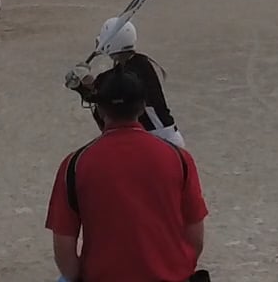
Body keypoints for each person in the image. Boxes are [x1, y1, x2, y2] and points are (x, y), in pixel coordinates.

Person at [47, 64, 209, 282]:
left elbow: (64, 249)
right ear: (142, 107)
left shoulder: (74, 164)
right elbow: (195, 238)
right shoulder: (179, 158)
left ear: (100, 110)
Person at [72, 18, 184, 147]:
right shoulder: (139, 63)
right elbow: (100, 97)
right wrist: (79, 87)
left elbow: (103, 93)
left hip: (161, 140)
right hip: (155, 138)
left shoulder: (132, 72)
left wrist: (85, 79)